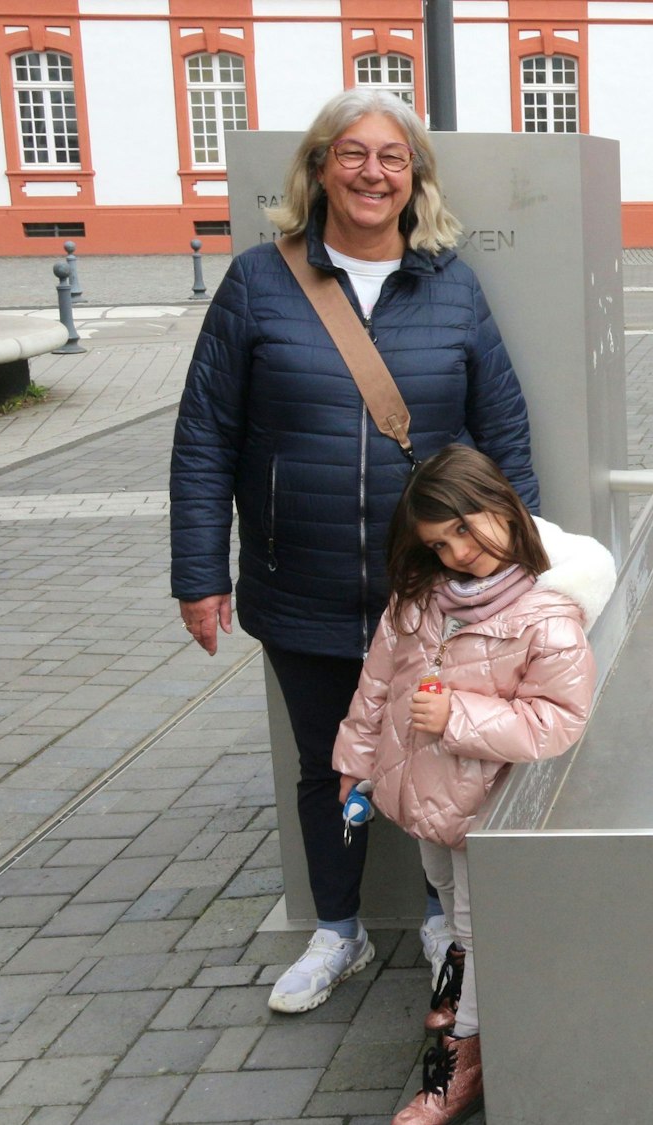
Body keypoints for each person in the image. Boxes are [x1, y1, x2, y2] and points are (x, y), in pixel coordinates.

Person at [169, 87, 539, 1015]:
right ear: (320, 167)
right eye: (354, 154)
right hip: (304, 583)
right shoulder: (259, 281)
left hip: (432, 594)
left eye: (393, 157)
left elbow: (503, 431)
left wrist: (518, 574)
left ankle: (434, 915)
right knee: (326, 761)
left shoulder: (449, 283)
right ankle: (337, 930)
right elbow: (205, 435)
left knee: (437, 754)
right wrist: (198, 572)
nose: (374, 173)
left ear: (414, 178)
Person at [335, 444, 612, 1125]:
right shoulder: (422, 595)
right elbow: (378, 681)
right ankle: (460, 1004)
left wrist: (457, 714)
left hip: (486, 805)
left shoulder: (548, 615)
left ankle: (456, 1067)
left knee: (475, 922)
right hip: (421, 796)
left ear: (503, 505)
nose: (459, 550)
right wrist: (356, 758)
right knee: (454, 908)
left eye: (467, 526)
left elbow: (560, 718)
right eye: (439, 541)